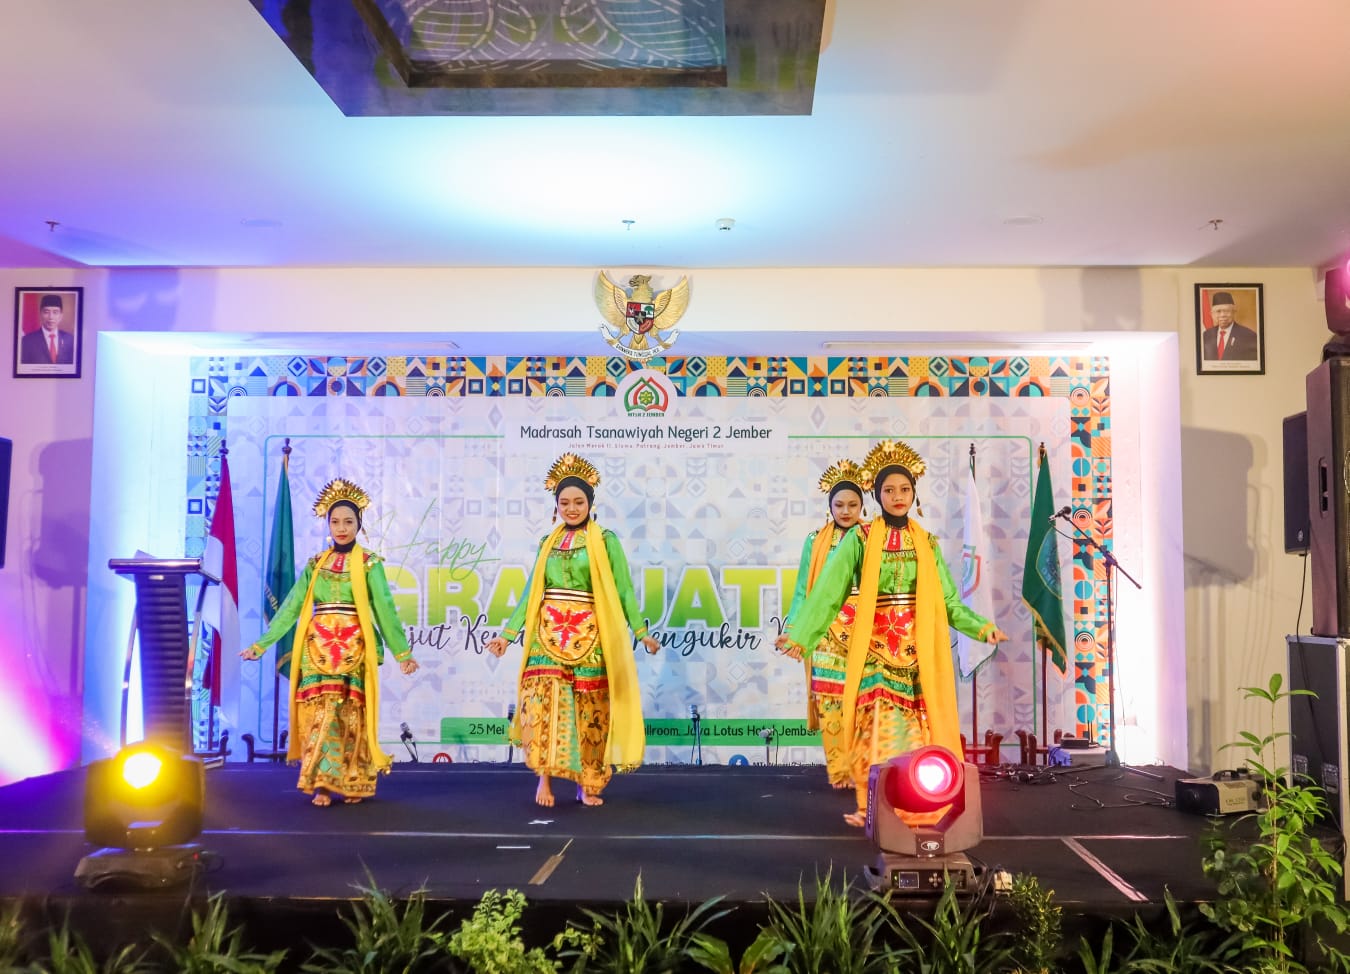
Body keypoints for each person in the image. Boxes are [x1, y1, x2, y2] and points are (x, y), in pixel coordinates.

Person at [777, 440, 1007, 828]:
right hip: (873, 653)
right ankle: (874, 809)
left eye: (904, 489)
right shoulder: (860, 539)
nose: (897, 497)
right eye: (888, 490)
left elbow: (948, 601)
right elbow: (828, 592)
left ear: (914, 493)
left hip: (917, 656)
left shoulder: (926, 543)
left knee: (918, 737)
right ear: (876, 496)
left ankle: (918, 808)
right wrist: (802, 636)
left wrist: (980, 627)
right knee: (878, 732)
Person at [486, 453, 659, 808]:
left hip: (590, 635)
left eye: (579, 501)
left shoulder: (605, 540)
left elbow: (624, 589)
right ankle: (544, 779)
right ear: (556, 506)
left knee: (589, 710)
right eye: (564, 502)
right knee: (543, 706)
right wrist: (507, 635)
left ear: (591, 503)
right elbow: (531, 592)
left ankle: (587, 783)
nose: (572, 508)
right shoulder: (546, 543)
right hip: (547, 633)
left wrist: (641, 633)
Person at [241, 478, 419, 806]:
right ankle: (321, 782)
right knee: (318, 716)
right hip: (316, 650)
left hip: (354, 649)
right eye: (335, 522)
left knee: (351, 716)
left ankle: (353, 781)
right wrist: (261, 645)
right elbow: (291, 606)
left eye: (348, 522)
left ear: (359, 524)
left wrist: (402, 653)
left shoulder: (369, 564)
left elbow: (385, 610)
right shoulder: (316, 565)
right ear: (327, 524)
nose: (341, 528)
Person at [779, 459, 869, 790]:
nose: (845, 511)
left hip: (865, 631)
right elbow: (804, 590)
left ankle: (865, 769)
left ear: (862, 506)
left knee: (864, 701)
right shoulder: (815, 540)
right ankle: (840, 771)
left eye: (852, 505)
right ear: (829, 506)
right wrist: (795, 631)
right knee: (830, 700)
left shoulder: (872, 538)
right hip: (825, 630)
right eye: (839, 505)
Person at [1201, 291, 1259, 361]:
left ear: (1234, 312)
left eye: (1227, 311)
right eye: (1218, 311)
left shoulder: (1249, 336)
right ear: (1211, 314)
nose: (1223, 315)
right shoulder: (1206, 335)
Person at [19, 294, 75, 365]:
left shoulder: (70, 339)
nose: (51, 317)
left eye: (55, 312)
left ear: (61, 316)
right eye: (46, 312)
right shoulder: (27, 341)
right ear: (40, 314)